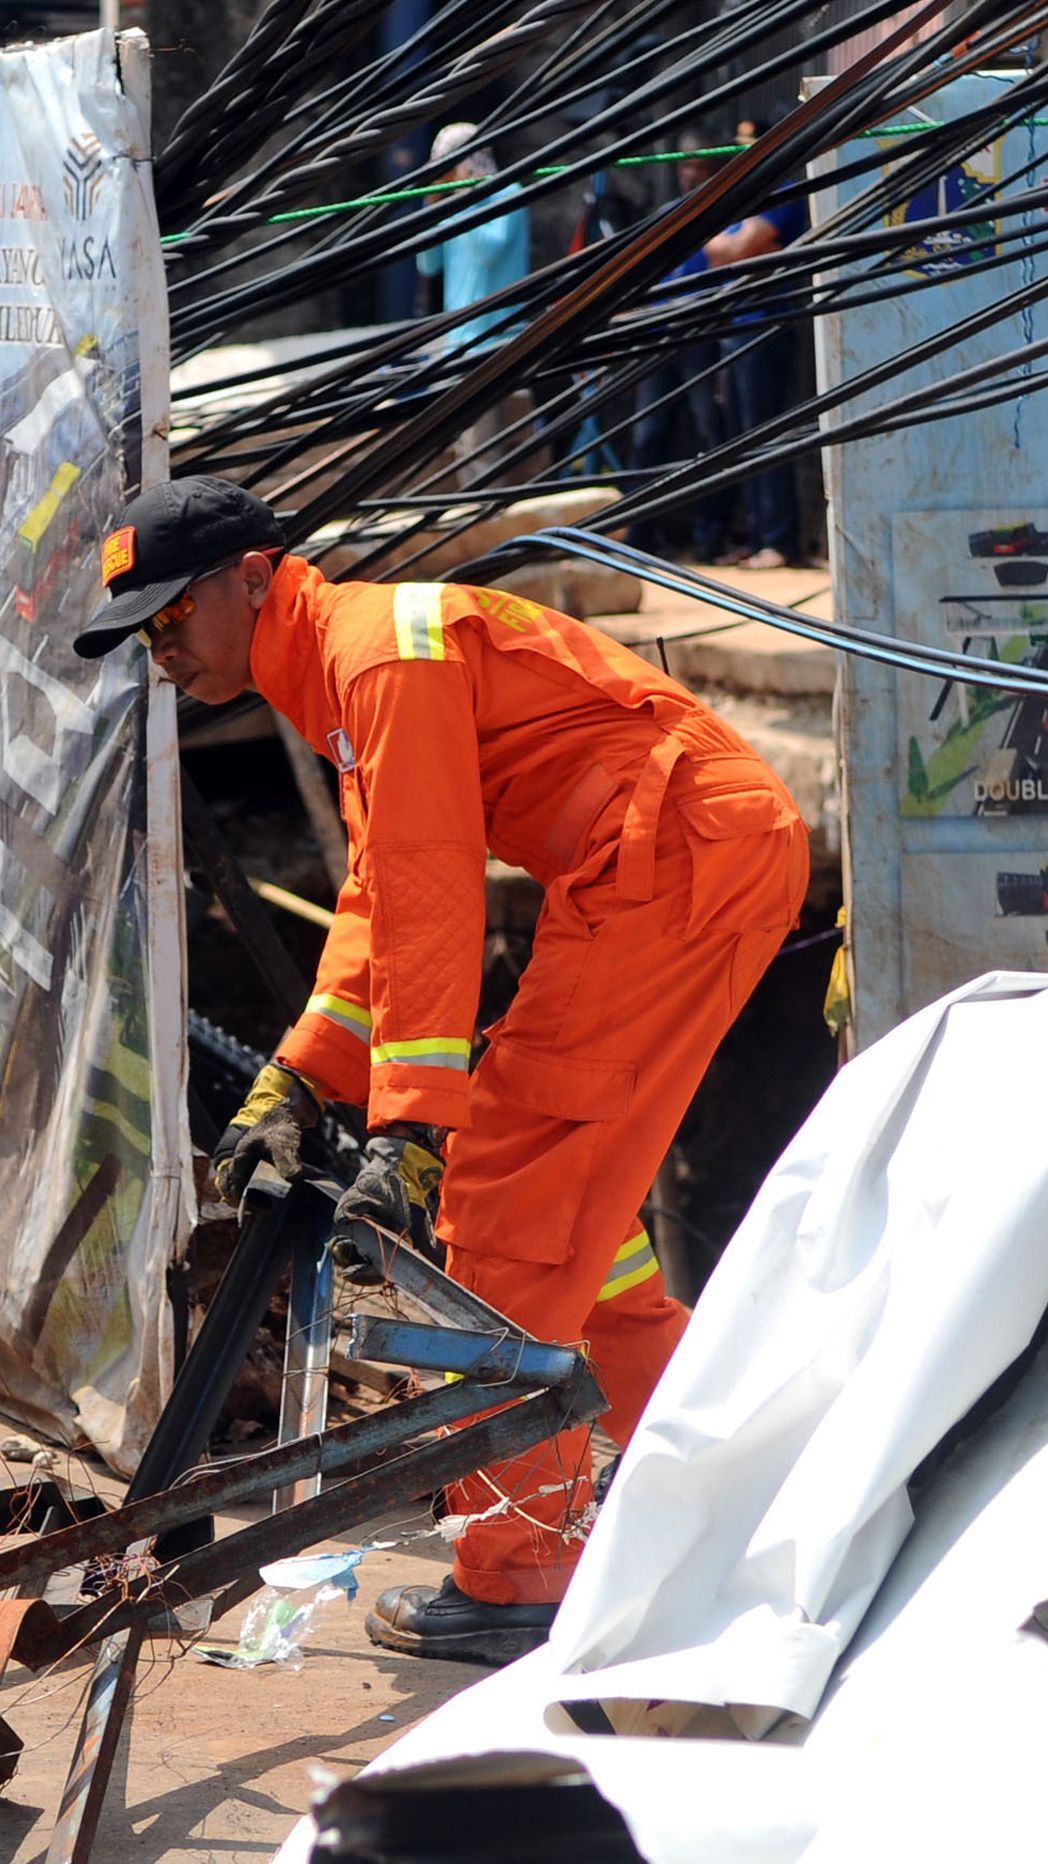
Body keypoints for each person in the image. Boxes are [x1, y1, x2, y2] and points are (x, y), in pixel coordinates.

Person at [74, 474, 809, 1666]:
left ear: (255, 578)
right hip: (667, 858)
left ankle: (525, 1574)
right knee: (577, 1214)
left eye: (170, 618)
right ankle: (713, 1482)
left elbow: (428, 889)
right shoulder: (346, 670)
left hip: (670, 860)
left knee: (504, 1207)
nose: (162, 652)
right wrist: (302, 1075)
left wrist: (410, 1127)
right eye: (144, 634)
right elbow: (377, 898)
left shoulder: (375, 658)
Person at [705, 118, 809, 569]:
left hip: (766, 324)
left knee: (766, 433)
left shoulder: (783, 192)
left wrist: (743, 248)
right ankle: (757, 534)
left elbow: (736, 249)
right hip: (737, 323)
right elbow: (715, 252)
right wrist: (742, 247)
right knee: (741, 435)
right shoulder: (746, 201)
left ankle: (778, 540)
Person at [625, 137, 735, 563]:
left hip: (700, 337)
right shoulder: (665, 216)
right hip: (659, 336)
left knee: (710, 435)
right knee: (648, 435)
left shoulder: (723, 220)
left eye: (700, 170)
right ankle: (640, 535)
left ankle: (712, 537)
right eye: (686, 168)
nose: (691, 176)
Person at [417, 122, 531, 486]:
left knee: (483, 444)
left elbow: (488, 251)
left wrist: (461, 203)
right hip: (460, 339)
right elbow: (428, 264)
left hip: (496, 337)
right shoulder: (455, 207)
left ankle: (484, 515)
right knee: (465, 441)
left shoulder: (507, 194)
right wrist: (432, 209)